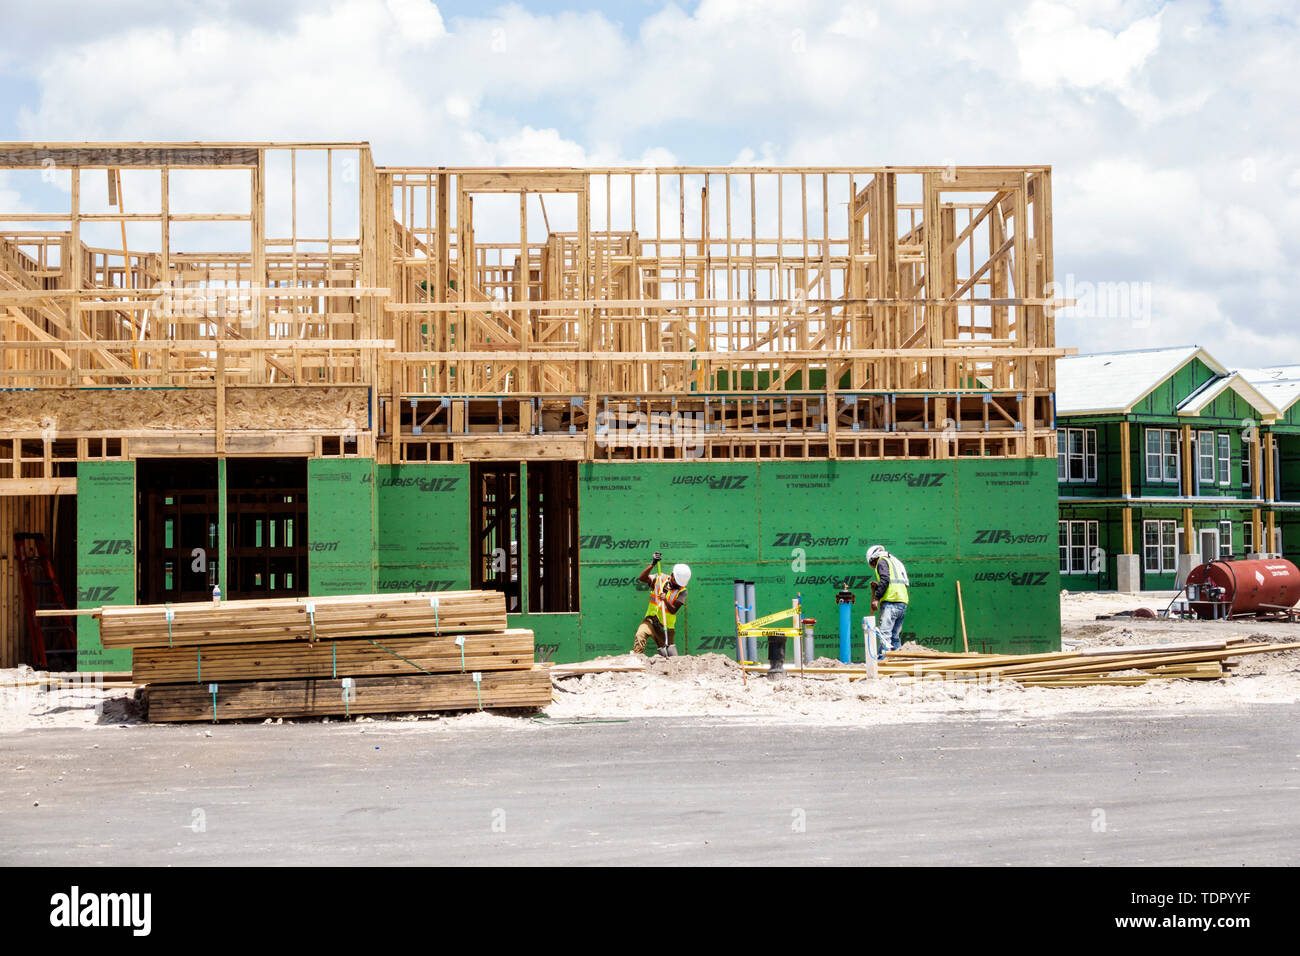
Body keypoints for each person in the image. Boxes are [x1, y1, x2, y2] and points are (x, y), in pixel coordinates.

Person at [633, 552, 690, 657]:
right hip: (651, 619)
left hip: (665, 627)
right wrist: (653, 564)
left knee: (670, 657)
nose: (678, 585)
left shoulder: (682, 592)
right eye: (677, 582)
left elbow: (673, 610)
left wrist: (665, 599)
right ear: (672, 575)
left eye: (680, 583)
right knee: (640, 635)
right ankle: (637, 661)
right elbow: (642, 578)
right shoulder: (660, 578)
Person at [867, 544, 909, 658]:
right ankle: (897, 662)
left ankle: (882, 663)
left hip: (891, 602)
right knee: (894, 637)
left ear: (873, 558)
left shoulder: (881, 561)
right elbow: (893, 580)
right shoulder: (893, 561)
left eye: (872, 564)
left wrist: (876, 598)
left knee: (885, 636)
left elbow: (885, 579)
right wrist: (878, 585)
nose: (874, 566)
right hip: (902, 601)